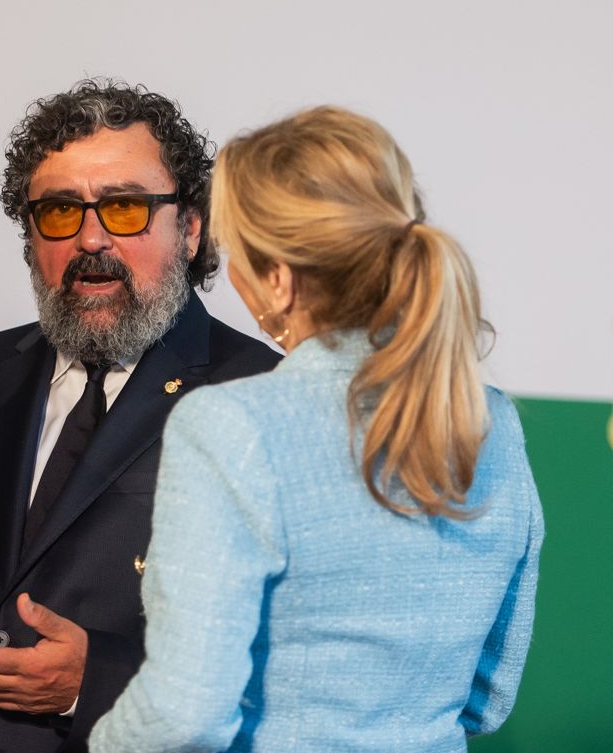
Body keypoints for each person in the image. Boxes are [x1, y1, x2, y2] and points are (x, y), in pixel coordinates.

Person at [0, 79, 279, 752]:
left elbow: (297, 664)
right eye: (60, 211)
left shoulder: (262, 396)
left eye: (125, 208)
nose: (90, 239)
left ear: (189, 228)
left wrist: (92, 681)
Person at [91, 106, 543, 752]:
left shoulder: (231, 426)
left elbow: (184, 713)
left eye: (234, 249)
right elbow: (489, 697)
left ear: (279, 278)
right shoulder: (494, 422)